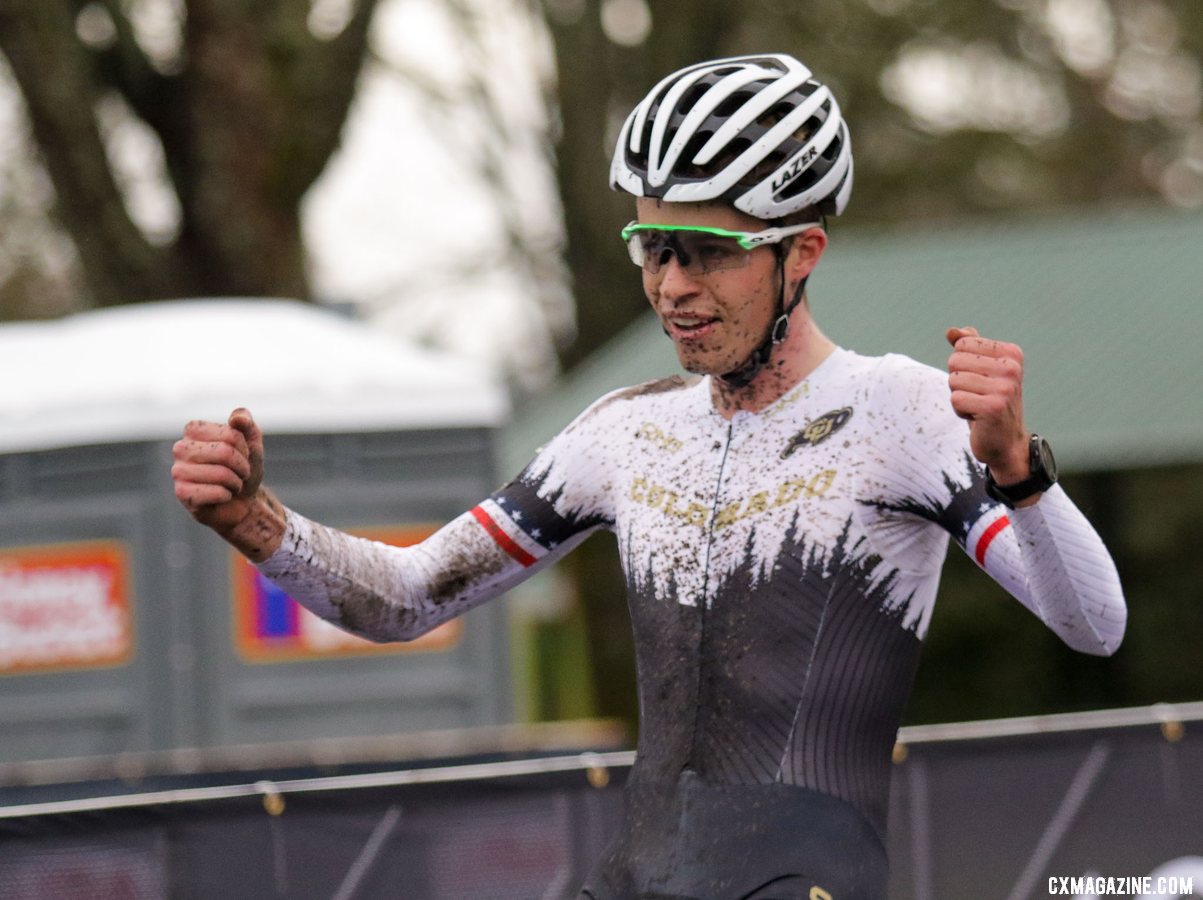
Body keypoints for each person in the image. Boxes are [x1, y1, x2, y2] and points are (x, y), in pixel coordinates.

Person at [172, 53, 1127, 899]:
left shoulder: (902, 414)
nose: (672, 286)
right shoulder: (624, 433)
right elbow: (409, 598)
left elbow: (1094, 625)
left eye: (708, 252)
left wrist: (1014, 469)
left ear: (803, 252)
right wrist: (257, 522)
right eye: (652, 249)